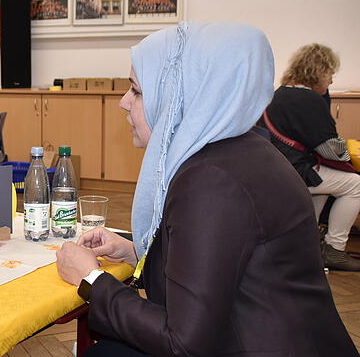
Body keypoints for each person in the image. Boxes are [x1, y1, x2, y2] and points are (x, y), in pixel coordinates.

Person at [55, 22, 357, 356]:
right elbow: (225, 266)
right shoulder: (243, 149)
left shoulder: (210, 180)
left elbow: (183, 342)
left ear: (181, 96)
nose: (124, 103)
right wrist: (136, 251)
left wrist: (91, 280)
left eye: (137, 91)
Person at [264, 43, 360, 271]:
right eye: (330, 75)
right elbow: (329, 148)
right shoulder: (308, 100)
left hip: (280, 169)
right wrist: (352, 154)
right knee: (355, 185)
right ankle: (334, 249)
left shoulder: (280, 94)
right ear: (318, 72)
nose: (331, 82)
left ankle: (307, 247)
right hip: (298, 171)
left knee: (328, 185)